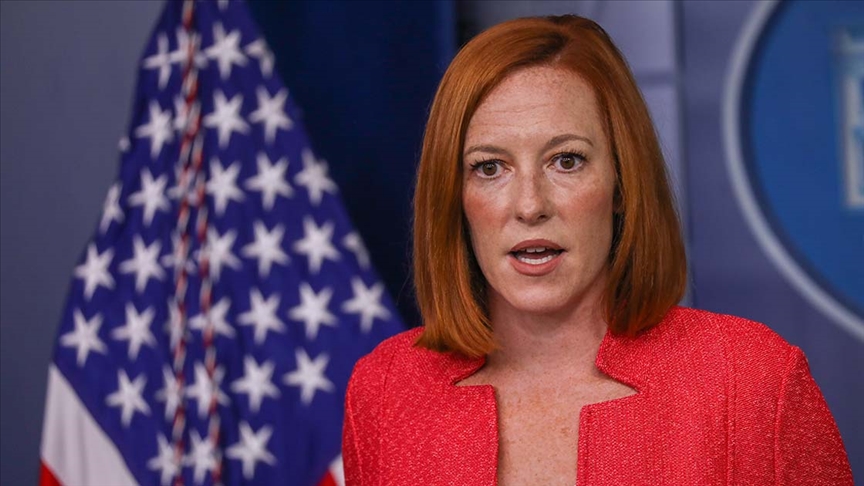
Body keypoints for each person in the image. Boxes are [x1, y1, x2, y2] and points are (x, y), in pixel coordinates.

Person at [342, 15, 853, 485]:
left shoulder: (751, 380)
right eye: (490, 167)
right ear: (453, 195)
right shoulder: (386, 390)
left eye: (566, 160)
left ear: (622, 182)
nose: (529, 205)